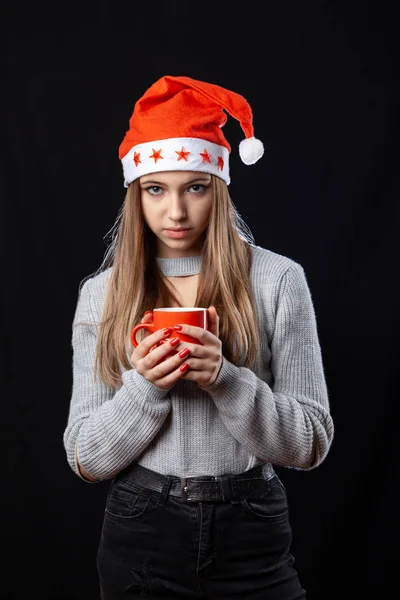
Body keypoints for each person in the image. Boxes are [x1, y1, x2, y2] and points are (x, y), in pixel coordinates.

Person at [63, 74, 334, 600]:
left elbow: (313, 441)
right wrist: (144, 388)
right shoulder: (102, 294)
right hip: (142, 532)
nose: (177, 212)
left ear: (221, 187)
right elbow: (84, 457)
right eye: (156, 189)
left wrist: (227, 380)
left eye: (196, 187)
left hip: (251, 529)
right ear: (135, 194)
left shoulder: (278, 279)